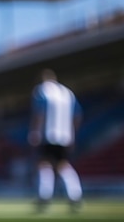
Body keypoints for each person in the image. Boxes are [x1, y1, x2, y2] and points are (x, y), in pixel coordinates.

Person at [28, 68, 83, 212]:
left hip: (48, 135)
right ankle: (75, 195)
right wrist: (72, 135)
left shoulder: (41, 90)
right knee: (63, 165)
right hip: (65, 136)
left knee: (44, 164)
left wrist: (35, 133)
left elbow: (39, 113)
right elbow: (77, 115)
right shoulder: (67, 93)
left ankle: (44, 196)